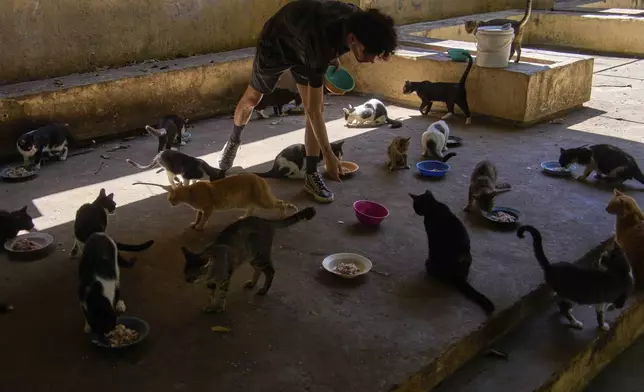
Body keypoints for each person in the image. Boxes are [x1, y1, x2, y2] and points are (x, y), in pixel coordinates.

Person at [217, 0, 397, 203]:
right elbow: (313, 112)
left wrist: (333, 57)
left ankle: (311, 174)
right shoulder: (320, 43)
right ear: (353, 39)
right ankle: (233, 140)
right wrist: (328, 155)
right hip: (276, 44)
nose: (372, 59)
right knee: (253, 99)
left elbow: (330, 42)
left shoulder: (358, 20)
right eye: (369, 53)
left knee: (317, 105)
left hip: (305, 47)